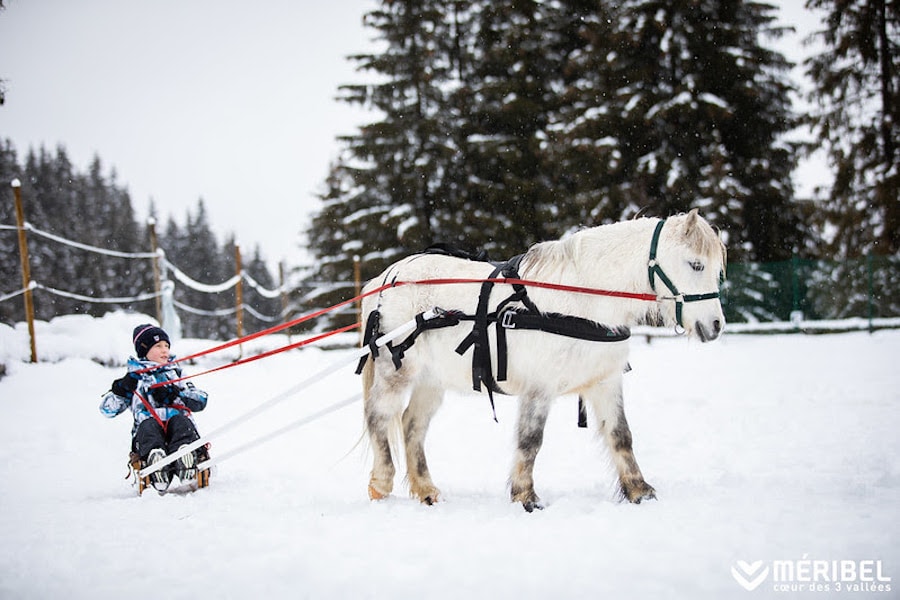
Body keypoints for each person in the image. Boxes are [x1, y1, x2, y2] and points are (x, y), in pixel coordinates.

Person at [100, 324, 209, 491]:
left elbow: (200, 400)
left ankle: (184, 457)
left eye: (166, 346)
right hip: (147, 430)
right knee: (148, 426)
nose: (165, 350)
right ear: (144, 350)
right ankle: (157, 464)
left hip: (178, 428)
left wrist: (177, 393)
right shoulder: (135, 379)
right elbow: (107, 410)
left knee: (180, 422)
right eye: (158, 346)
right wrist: (121, 390)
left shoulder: (176, 374)